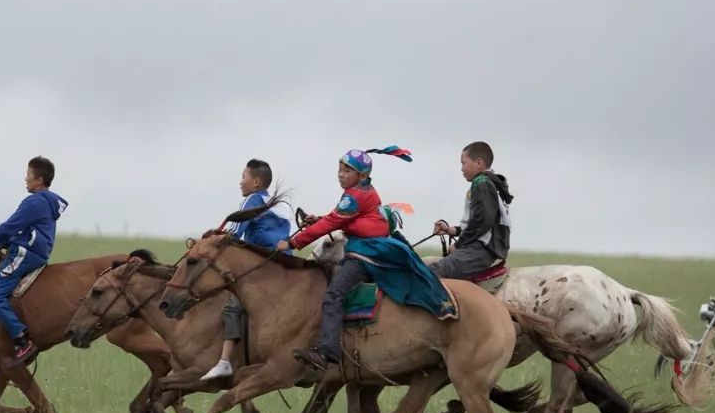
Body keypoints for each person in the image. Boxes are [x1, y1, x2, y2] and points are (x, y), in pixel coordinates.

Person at [280, 146, 455, 372]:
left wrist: (293, 243)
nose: (341, 174)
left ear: (361, 175)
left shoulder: (354, 195)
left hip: (365, 253)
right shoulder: (361, 191)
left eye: (347, 170)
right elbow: (341, 219)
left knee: (334, 294)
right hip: (372, 248)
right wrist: (319, 219)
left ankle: (326, 352)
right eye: (340, 169)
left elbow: (333, 222)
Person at [200, 159, 292, 381]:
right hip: (286, 268)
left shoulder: (252, 200)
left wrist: (209, 240)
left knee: (232, 307)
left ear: (256, 182)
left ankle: (224, 362)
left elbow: (233, 233)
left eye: (244, 177)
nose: (241, 182)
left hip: (263, 269)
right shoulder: (282, 205)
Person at [0, 156, 69, 365]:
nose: (25, 179)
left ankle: (21, 340)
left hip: (25, 254)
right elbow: (23, 230)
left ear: (39, 180)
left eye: (28, 175)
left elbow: (9, 226)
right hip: (36, 251)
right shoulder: (46, 202)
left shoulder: (35, 201)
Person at [428, 141, 513, 280]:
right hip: (480, 248)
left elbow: (482, 221)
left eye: (463, 163)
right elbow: (479, 222)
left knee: (429, 273)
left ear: (478, 163)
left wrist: (459, 244)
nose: (462, 168)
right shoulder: (488, 183)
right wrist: (453, 230)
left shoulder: (481, 183)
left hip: (479, 251)